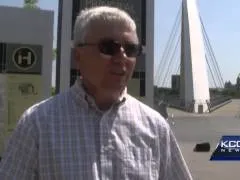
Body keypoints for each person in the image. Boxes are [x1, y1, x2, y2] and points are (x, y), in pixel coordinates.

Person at [0, 6, 193, 180]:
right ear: (78, 55)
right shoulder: (37, 124)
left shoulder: (155, 126)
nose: (122, 57)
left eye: (131, 49)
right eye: (109, 47)